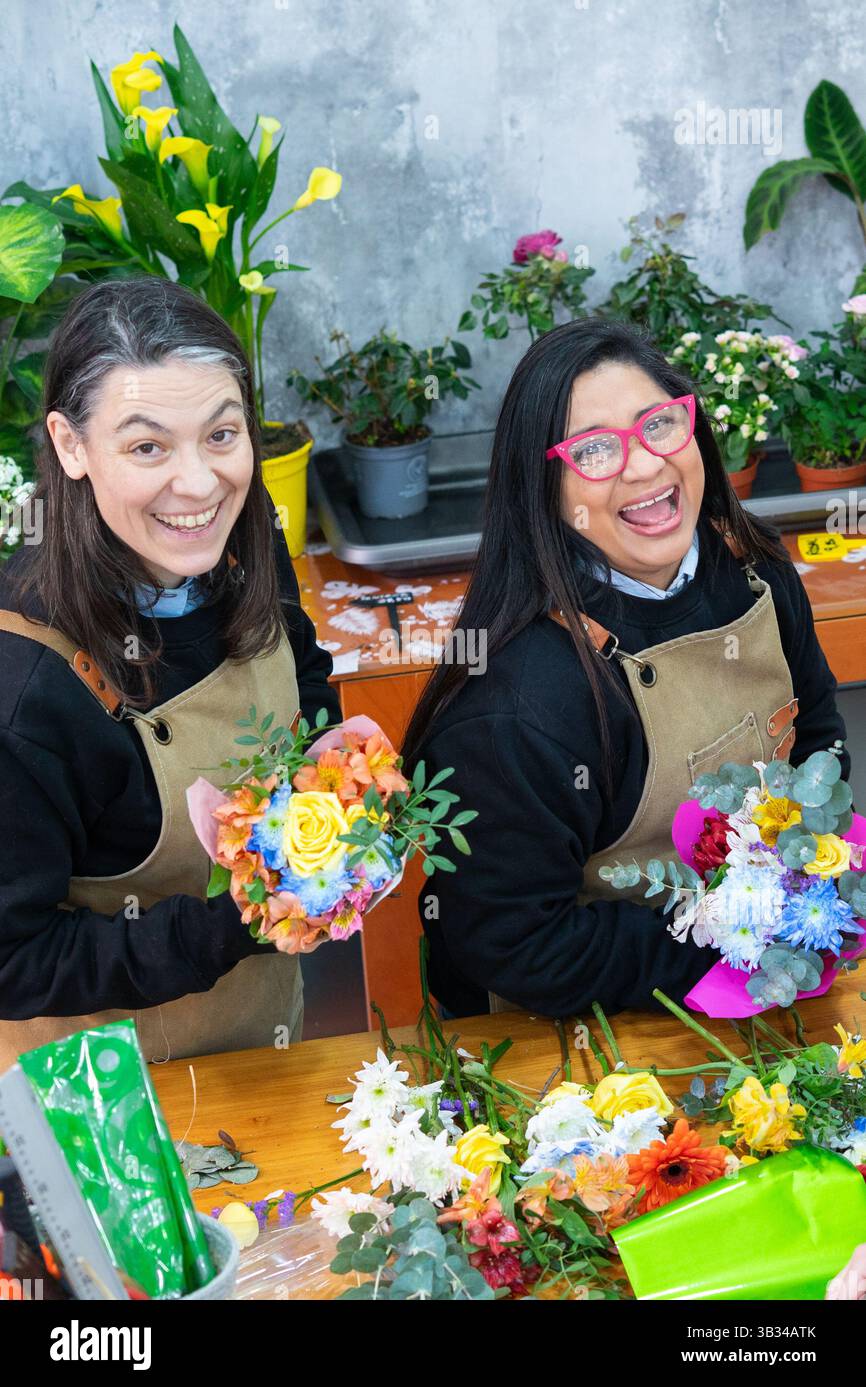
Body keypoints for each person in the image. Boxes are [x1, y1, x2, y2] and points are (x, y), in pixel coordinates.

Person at [402, 318, 849, 1018]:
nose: (643, 467)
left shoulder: (755, 572)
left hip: (769, 992)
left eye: (659, 425)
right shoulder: (519, 699)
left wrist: (812, 889)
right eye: (596, 450)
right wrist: (735, 940)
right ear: (543, 484)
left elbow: (820, 733)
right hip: (586, 1046)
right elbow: (515, 943)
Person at [0, 278, 342, 1067]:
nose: (198, 485)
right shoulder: (24, 685)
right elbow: (13, 959)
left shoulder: (246, 544)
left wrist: (334, 791)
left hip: (262, 1050)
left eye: (221, 436)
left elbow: (304, 673)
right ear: (71, 445)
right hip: (102, 1109)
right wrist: (238, 920)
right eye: (148, 446)